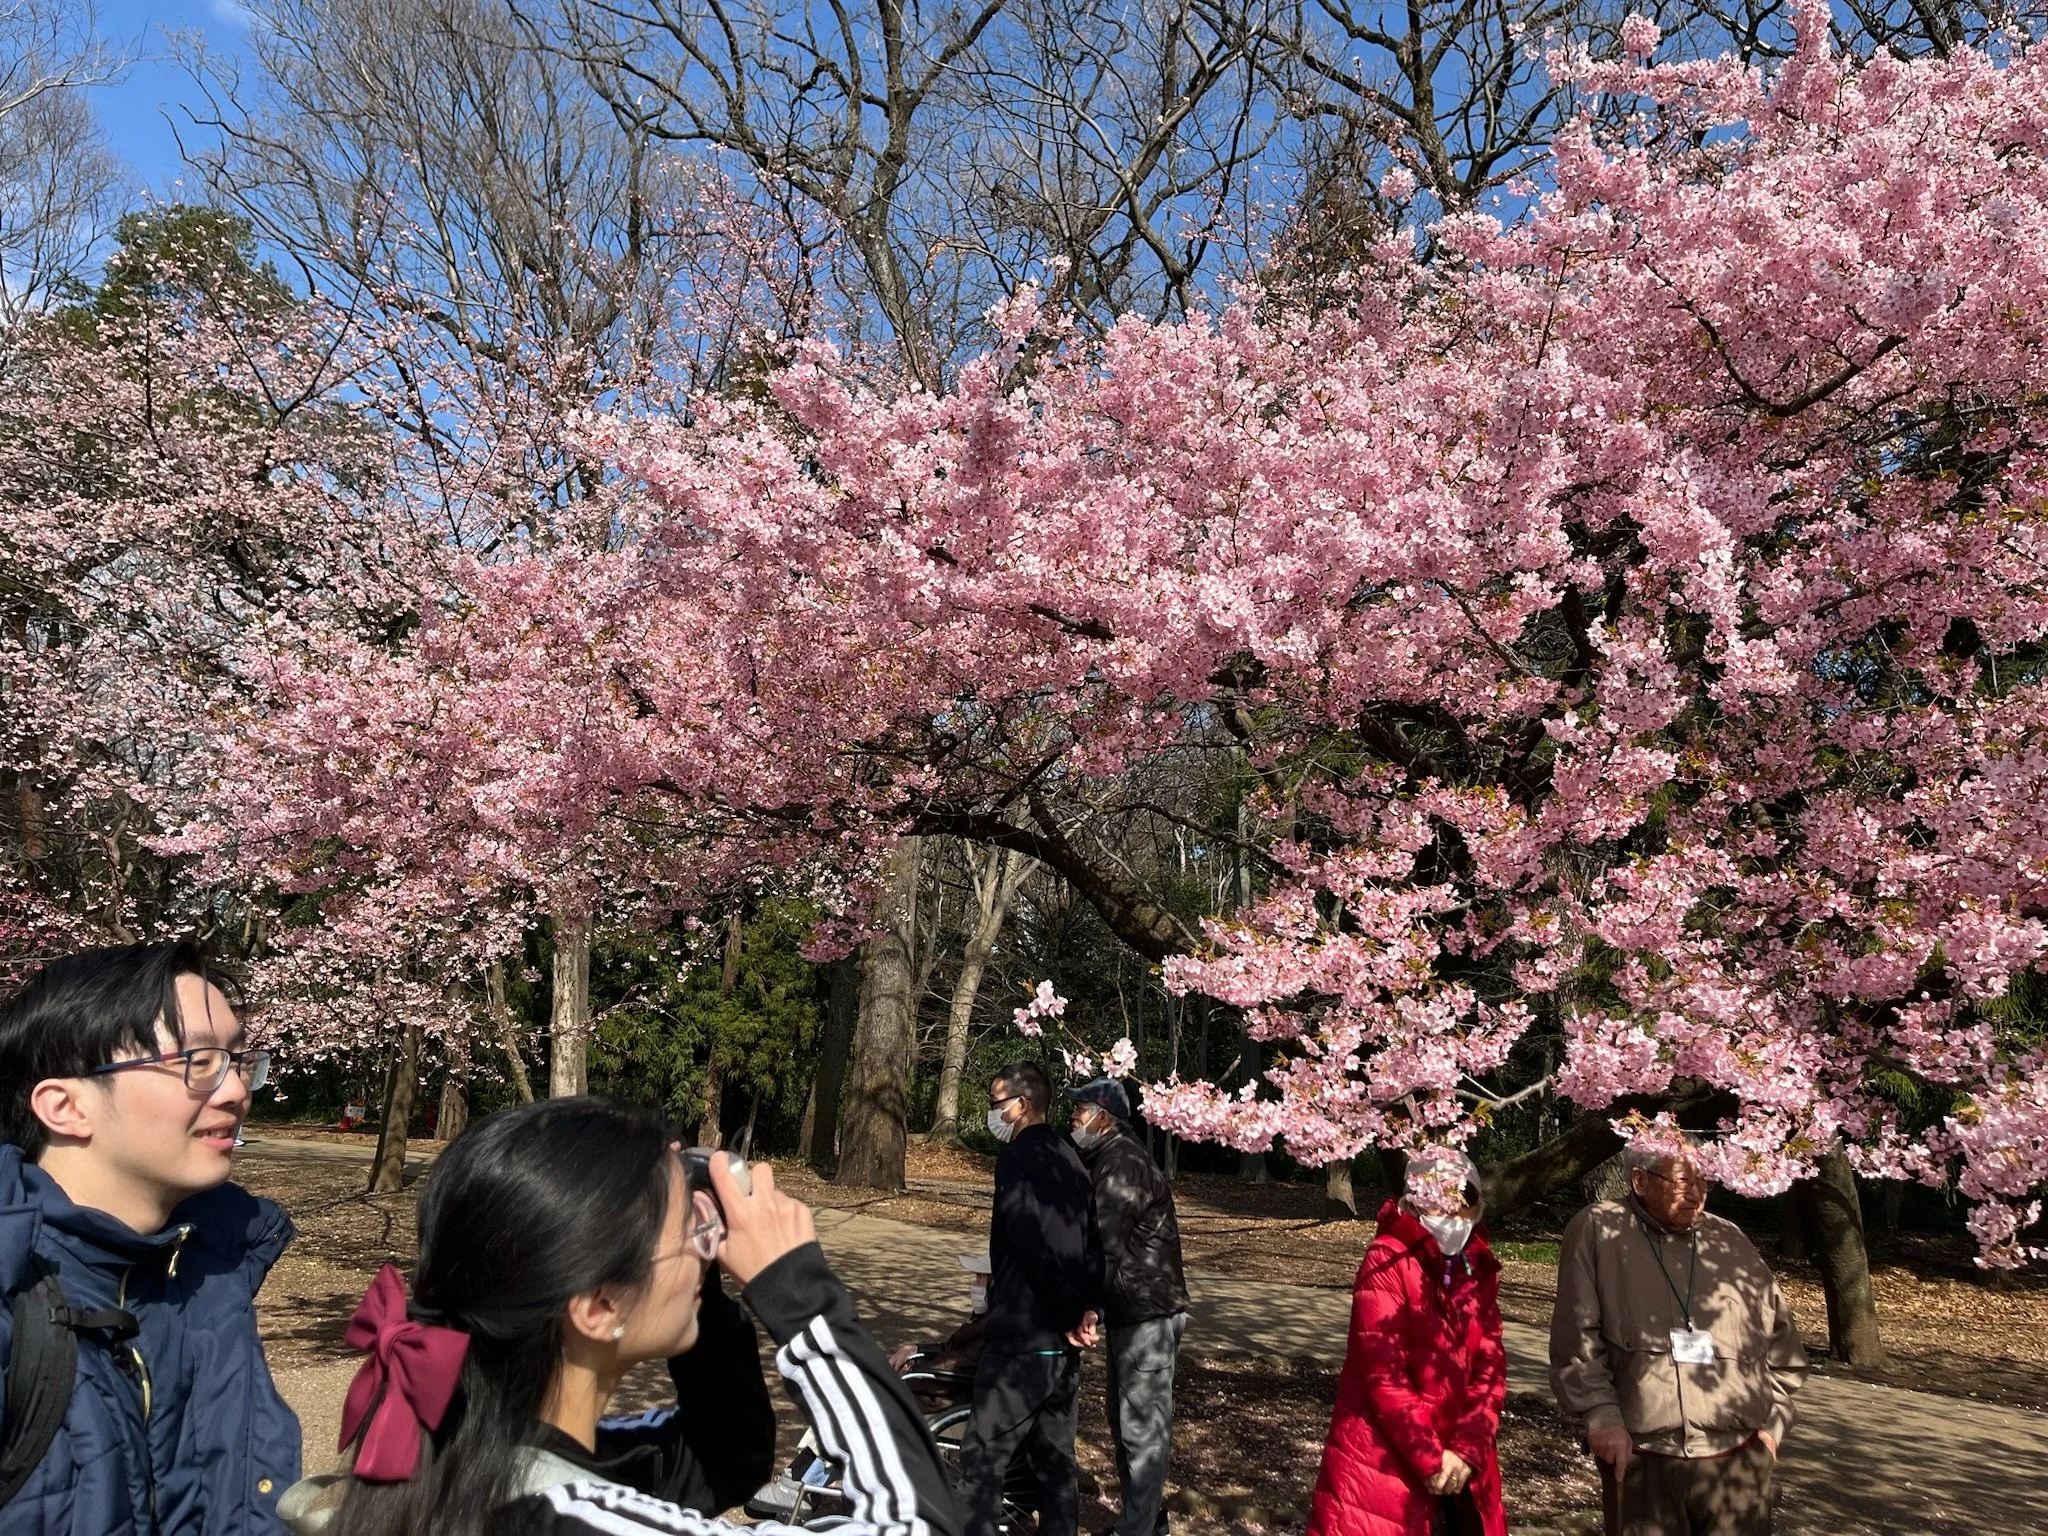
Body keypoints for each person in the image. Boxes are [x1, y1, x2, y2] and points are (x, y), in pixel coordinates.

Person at [306, 1095, 959, 1536]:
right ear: (597, 1305)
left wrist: (679, 1239)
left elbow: (724, 1460)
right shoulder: (572, 1518)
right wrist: (799, 1295)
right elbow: (919, 1521)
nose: (708, 1243)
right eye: (689, 1231)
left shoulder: (460, 1455)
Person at [0, 940, 300, 1534]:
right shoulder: (13, 1305)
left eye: (239, 1061)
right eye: (198, 1061)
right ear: (64, 1106)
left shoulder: (210, 1271)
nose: (236, 1090)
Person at [1550, 1140, 1809, 1536]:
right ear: (1640, 1180)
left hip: (1737, 1458)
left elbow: (1783, 1346)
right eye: (1683, 1179)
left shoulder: (1731, 1239)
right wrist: (1601, 1417)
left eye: (1704, 1179)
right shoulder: (1599, 1229)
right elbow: (1577, 1335)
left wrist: (1771, 1430)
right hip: (1643, 1455)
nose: (1697, 1192)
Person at [1307, 1149, 1507, 1536]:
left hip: (1463, 1472)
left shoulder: (1478, 1267)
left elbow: (1491, 1367)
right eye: (1440, 1204)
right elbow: (1385, 1375)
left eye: (1463, 1206)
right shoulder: (1386, 1261)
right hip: (1383, 1463)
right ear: (1415, 1203)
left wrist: (1467, 1450)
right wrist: (1430, 1459)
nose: (1454, 1219)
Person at [957, 1061, 1103, 1536]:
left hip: (1025, 1337)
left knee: (982, 1457)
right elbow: (1093, 1245)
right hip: (1062, 1346)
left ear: (1021, 1104)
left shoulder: (1019, 1158)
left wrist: (1067, 1313)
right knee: (1054, 1462)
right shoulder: (1071, 1157)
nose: (992, 1113)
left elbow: (1027, 1238)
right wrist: (1088, 1312)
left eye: (997, 1104)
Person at [1067, 1077, 1188, 1536]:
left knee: (1140, 1427)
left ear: (1103, 1117)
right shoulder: (1107, 1156)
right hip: (1131, 1306)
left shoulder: (1121, 1164)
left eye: (1079, 1112)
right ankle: (1145, 1520)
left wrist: (1086, 1304)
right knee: (1125, 1423)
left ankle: (1138, 1529)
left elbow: (1104, 1243)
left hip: (1147, 1311)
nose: (1073, 1121)